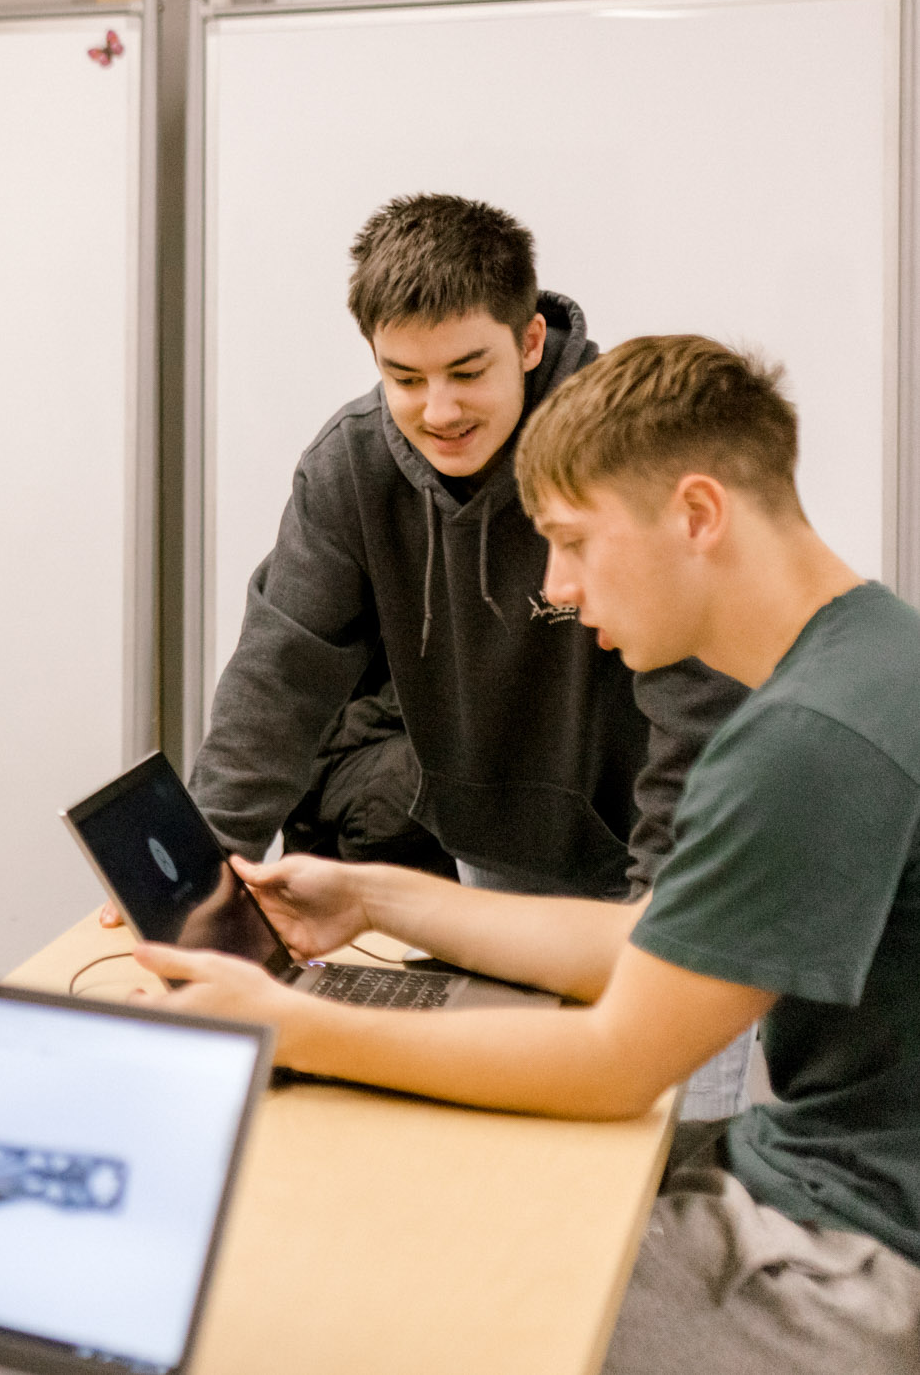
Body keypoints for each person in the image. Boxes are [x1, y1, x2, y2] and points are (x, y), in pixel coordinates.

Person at [144, 336, 920, 1372]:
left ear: (694, 514)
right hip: (827, 1175)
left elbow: (615, 1062)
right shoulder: (867, 654)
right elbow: (649, 941)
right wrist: (375, 897)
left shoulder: (802, 739)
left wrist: (289, 1025)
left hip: (856, 1245)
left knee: (365, 1320)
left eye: (569, 540)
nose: (554, 586)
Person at [191, 195, 743, 899]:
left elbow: (696, 699)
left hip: (657, 858)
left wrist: (663, 906)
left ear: (531, 341)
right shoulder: (350, 468)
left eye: (468, 371)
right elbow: (278, 678)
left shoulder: (630, 448)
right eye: (406, 379)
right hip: (491, 857)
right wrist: (202, 877)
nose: (440, 411)